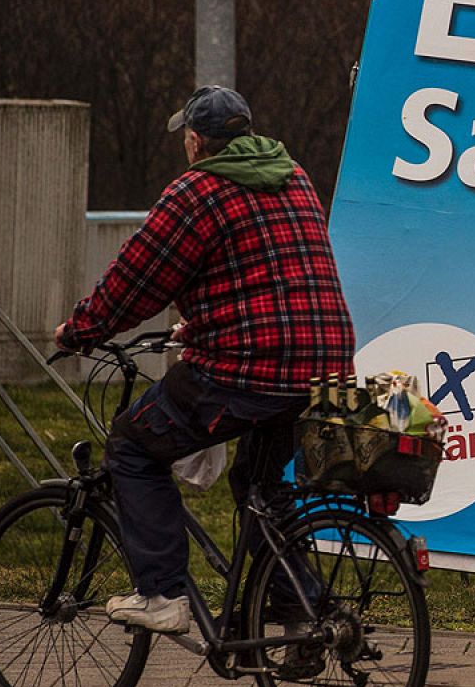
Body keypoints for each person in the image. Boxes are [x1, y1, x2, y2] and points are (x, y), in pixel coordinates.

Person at [55, 85, 355, 636]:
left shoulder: (196, 191)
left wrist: (81, 330)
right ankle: (302, 615)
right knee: (261, 486)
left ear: (195, 141)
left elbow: (136, 281)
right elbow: (266, 278)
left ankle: (162, 596)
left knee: (133, 447)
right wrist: (196, 324)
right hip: (324, 363)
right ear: (247, 133)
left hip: (248, 369)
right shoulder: (293, 176)